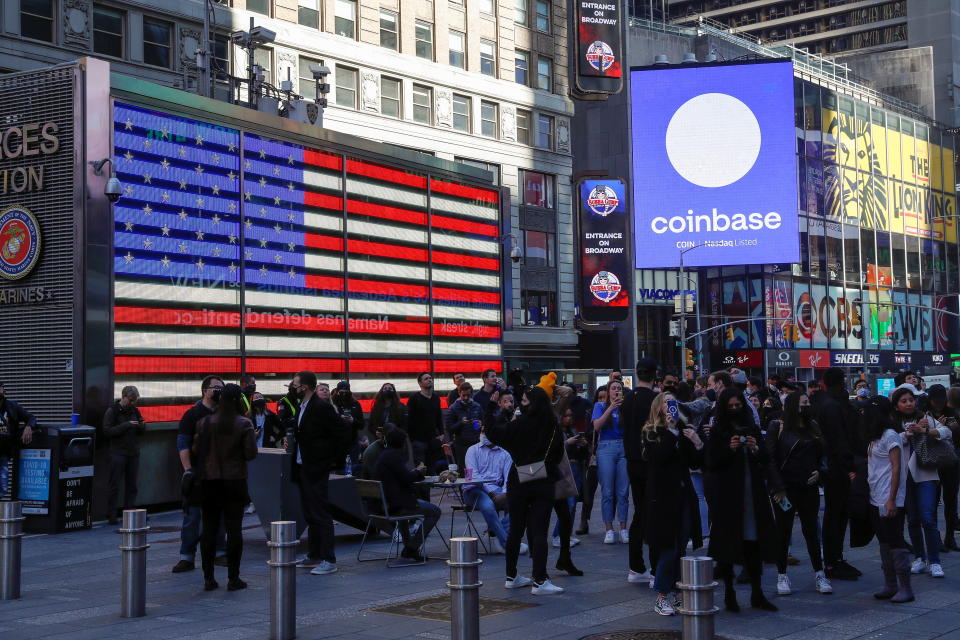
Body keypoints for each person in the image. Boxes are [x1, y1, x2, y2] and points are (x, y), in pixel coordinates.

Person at [487, 386, 566, 595]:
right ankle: (540, 580)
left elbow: (494, 434)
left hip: (518, 480)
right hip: (542, 480)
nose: (520, 404)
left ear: (530, 403)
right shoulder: (553, 426)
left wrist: (491, 408)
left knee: (515, 530)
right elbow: (557, 455)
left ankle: (511, 576)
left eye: (523, 401)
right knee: (539, 529)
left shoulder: (518, 424)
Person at [707, 388, 779, 613]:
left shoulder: (752, 427)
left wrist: (755, 448)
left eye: (739, 405)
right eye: (732, 406)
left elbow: (766, 457)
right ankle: (730, 593)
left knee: (754, 542)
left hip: (753, 491)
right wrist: (729, 449)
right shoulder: (719, 430)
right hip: (729, 493)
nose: (736, 409)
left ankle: (757, 592)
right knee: (729, 542)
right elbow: (712, 461)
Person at [642, 392, 704, 616]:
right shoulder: (652, 432)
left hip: (683, 494)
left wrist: (697, 444)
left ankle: (677, 592)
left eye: (674, 403)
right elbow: (658, 458)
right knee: (669, 546)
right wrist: (670, 431)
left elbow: (694, 463)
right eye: (667, 403)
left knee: (680, 545)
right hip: (663, 497)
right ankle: (661, 595)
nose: (671, 407)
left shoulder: (684, 431)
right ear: (659, 408)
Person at [765, 391, 832, 596]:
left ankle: (819, 573)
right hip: (785, 488)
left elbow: (824, 456)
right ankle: (782, 575)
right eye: (804, 402)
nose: (808, 405)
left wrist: (820, 473)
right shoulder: (778, 427)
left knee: (811, 531)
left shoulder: (813, 426)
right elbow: (770, 459)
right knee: (783, 532)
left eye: (808, 402)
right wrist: (777, 488)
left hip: (808, 486)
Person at [192, 384, 257, 591]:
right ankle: (233, 578)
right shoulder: (243, 424)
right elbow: (250, 454)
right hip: (234, 480)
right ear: (238, 400)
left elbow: (195, 449)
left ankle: (208, 578)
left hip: (209, 481)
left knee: (209, 529)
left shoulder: (204, 423)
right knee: (234, 529)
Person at [289, 371, 347, 576]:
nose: (292, 387)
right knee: (310, 512)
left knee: (320, 512)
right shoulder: (301, 407)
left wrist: (329, 461)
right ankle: (314, 554)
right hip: (303, 466)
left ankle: (329, 558)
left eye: (295, 384)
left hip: (316, 467)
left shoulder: (320, 407)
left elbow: (340, 433)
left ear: (304, 387)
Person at [891, 385, 951, 578]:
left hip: (925, 473)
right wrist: (906, 434)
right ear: (896, 405)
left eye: (911, 400)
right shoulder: (891, 422)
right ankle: (919, 557)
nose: (909, 403)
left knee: (928, 517)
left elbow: (946, 432)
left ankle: (934, 561)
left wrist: (925, 430)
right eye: (904, 401)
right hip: (902, 477)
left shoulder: (924, 417)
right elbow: (886, 444)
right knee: (913, 519)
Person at [173, 375, 226, 573]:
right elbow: (183, 443)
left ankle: (220, 552)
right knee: (192, 516)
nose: (219, 391)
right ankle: (187, 556)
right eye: (216, 388)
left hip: (219, 472)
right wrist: (188, 470)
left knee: (219, 514)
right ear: (205, 391)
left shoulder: (224, 413)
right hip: (197, 472)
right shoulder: (192, 414)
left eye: (222, 388)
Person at [864, 396, 913, 603]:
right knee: (884, 541)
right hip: (876, 496)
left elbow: (896, 467)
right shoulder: (876, 436)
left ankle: (905, 588)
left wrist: (892, 499)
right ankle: (891, 584)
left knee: (894, 539)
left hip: (889, 497)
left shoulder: (889, 435)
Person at [816, 367, 860, 580]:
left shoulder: (828, 403)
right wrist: (849, 466)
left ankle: (835, 559)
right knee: (836, 514)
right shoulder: (833, 406)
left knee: (838, 514)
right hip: (836, 467)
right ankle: (833, 561)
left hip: (832, 466)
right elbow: (839, 439)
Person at [463, 411, 527, 556]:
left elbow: (509, 476)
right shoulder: (472, 451)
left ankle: (499, 534)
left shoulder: (505, 453)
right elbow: (473, 477)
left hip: (498, 490)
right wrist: (492, 493)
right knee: (488, 505)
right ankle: (506, 543)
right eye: (484, 429)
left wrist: (504, 494)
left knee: (519, 503)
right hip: (475, 490)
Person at [373, 428, 440, 562]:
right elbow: (407, 478)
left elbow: (402, 476)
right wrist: (419, 471)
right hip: (396, 505)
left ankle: (409, 546)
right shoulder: (393, 456)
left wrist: (414, 472)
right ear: (403, 443)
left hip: (383, 504)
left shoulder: (384, 455)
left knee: (405, 515)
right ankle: (412, 548)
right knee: (435, 511)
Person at [621, 358, 658, 583]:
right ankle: (655, 570)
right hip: (651, 461)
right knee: (653, 511)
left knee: (639, 512)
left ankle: (636, 566)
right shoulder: (655, 400)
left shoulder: (627, 399)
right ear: (654, 375)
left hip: (632, 460)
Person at [592, 378, 629, 544]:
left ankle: (623, 527)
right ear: (608, 392)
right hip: (606, 448)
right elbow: (597, 426)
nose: (615, 391)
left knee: (623, 491)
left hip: (623, 447)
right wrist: (611, 408)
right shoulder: (600, 406)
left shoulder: (625, 407)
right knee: (607, 491)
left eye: (618, 388)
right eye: (613, 388)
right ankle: (608, 529)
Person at [103, 385, 145, 525]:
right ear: (124, 396)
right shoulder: (113, 411)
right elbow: (107, 431)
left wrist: (141, 425)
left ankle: (129, 512)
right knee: (114, 484)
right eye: (131, 400)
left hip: (133, 452)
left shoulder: (135, 410)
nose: (133, 403)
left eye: (134, 400)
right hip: (118, 452)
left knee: (132, 485)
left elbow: (142, 428)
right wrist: (126, 425)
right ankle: (111, 515)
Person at [926, 385, 959, 552]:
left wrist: (950, 428)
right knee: (933, 501)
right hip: (932, 462)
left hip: (950, 462)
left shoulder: (952, 413)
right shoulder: (923, 412)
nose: (938, 405)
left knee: (951, 500)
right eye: (935, 401)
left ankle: (950, 537)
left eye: (941, 402)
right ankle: (935, 538)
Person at [576, 386, 605, 536]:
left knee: (610, 491)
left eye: (604, 397)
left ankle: (613, 525)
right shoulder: (590, 412)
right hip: (593, 455)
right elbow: (587, 432)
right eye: (599, 398)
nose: (601, 401)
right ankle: (584, 520)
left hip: (609, 453)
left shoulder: (614, 412)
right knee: (589, 489)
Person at [0, 382, 35, 499]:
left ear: (4, 392)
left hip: (3, 454)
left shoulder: (12, 407)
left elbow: (30, 417)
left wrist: (29, 427)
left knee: (3, 488)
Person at [406, 373, 444, 469]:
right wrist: (412, 438)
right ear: (420, 383)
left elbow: (439, 416)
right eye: (426, 379)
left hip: (433, 438)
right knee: (420, 468)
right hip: (418, 440)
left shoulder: (436, 398)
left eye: (430, 378)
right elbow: (408, 419)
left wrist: (442, 433)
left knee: (432, 467)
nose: (429, 380)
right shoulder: (414, 398)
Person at [445, 382, 484, 470]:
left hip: (476, 443)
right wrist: (461, 423)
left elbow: (485, 423)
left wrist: (481, 424)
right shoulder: (453, 408)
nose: (466, 398)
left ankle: (476, 483)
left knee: (478, 467)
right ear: (459, 393)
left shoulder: (477, 406)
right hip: (461, 445)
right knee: (465, 468)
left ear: (472, 394)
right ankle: (466, 483)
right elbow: (449, 429)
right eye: (464, 395)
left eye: (468, 395)